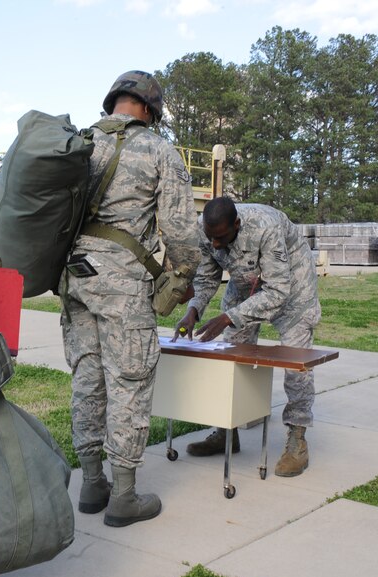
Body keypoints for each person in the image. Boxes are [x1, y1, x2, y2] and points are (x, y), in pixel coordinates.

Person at [62, 71, 200, 527]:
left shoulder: (80, 141)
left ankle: (90, 483)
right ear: (149, 108)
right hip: (122, 283)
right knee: (129, 381)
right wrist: (183, 276)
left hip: (74, 278)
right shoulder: (158, 150)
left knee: (87, 378)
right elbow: (180, 230)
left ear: (114, 102)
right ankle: (124, 497)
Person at [175, 197, 321, 477]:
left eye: (220, 237)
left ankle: (297, 440)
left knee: (296, 361)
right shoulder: (205, 231)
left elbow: (278, 290)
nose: (215, 244)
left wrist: (229, 316)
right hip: (245, 283)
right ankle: (226, 430)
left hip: (291, 283)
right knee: (230, 355)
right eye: (210, 237)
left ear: (237, 225)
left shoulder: (265, 227)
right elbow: (207, 278)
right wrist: (193, 310)